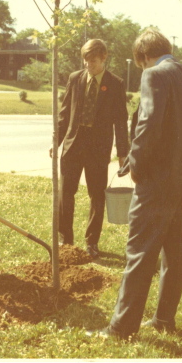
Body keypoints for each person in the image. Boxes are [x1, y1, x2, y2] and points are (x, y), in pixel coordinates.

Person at [89, 28, 182, 339]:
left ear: (143, 57)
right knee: (175, 253)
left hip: (159, 181)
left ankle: (121, 328)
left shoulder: (154, 75)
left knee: (139, 252)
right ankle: (164, 319)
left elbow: (148, 123)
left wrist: (136, 164)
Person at [50, 39, 129, 258]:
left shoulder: (115, 83)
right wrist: (55, 141)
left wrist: (123, 152)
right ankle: (66, 241)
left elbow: (121, 120)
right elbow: (64, 113)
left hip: (98, 148)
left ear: (104, 57)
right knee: (66, 193)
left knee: (97, 195)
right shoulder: (75, 79)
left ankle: (91, 242)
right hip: (72, 146)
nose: (88, 65)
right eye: (85, 60)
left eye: (92, 61)